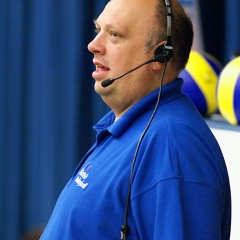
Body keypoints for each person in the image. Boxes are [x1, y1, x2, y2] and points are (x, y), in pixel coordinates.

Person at [40, 0, 231, 239]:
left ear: (161, 55)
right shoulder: (131, 128)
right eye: (98, 30)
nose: (93, 45)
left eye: (114, 34)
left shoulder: (173, 147)